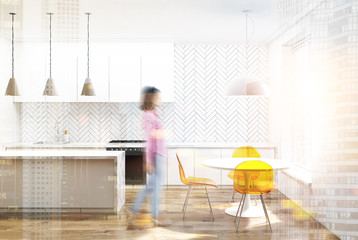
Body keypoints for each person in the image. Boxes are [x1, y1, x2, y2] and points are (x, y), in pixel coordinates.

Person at [128, 86, 171, 227]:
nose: (160, 99)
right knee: (156, 186)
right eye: (157, 96)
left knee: (150, 186)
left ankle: (134, 209)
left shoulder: (153, 114)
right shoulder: (148, 116)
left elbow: (156, 137)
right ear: (151, 98)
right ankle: (155, 215)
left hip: (159, 155)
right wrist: (148, 160)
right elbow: (148, 139)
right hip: (156, 156)